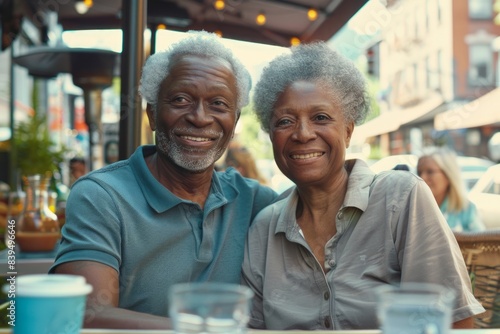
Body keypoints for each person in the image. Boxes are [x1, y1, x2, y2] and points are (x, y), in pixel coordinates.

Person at [241, 43, 484, 330]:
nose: (303, 134)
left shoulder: (400, 198)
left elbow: (453, 322)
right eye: (284, 121)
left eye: (320, 117)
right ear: (271, 136)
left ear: (348, 129)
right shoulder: (263, 230)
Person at [50, 31, 280, 329]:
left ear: (234, 123)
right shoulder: (103, 196)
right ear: (152, 114)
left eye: (219, 104)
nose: (200, 117)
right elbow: (86, 314)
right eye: (181, 99)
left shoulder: (255, 202)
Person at [417, 146, 485, 232]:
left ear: (448, 175)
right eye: (419, 172)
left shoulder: (466, 208)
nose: (422, 178)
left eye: (430, 172)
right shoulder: (413, 209)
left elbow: (481, 242)